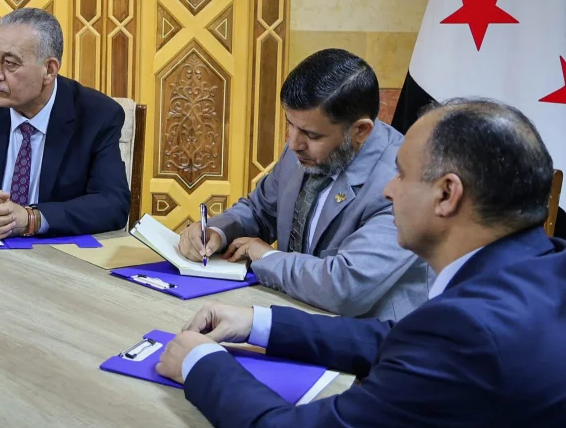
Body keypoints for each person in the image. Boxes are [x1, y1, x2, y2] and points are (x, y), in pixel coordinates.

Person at [159, 99, 566, 428]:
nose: (389, 190)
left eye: (402, 174)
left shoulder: (470, 332)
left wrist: (200, 362)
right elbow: (396, 339)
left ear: (447, 194)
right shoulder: (554, 267)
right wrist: (258, 323)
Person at [177, 49, 429, 319]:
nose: (294, 143)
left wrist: (266, 257)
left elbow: (343, 287)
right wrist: (217, 231)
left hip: (370, 337)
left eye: (312, 135)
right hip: (296, 318)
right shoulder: (301, 149)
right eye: (290, 125)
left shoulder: (406, 182)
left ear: (360, 130)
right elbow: (260, 210)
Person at [0, 8, 130, 238]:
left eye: (10, 63)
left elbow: (113, 204)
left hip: (57, 253)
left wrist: (31, 219)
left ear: (49, 70)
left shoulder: (96, 115)